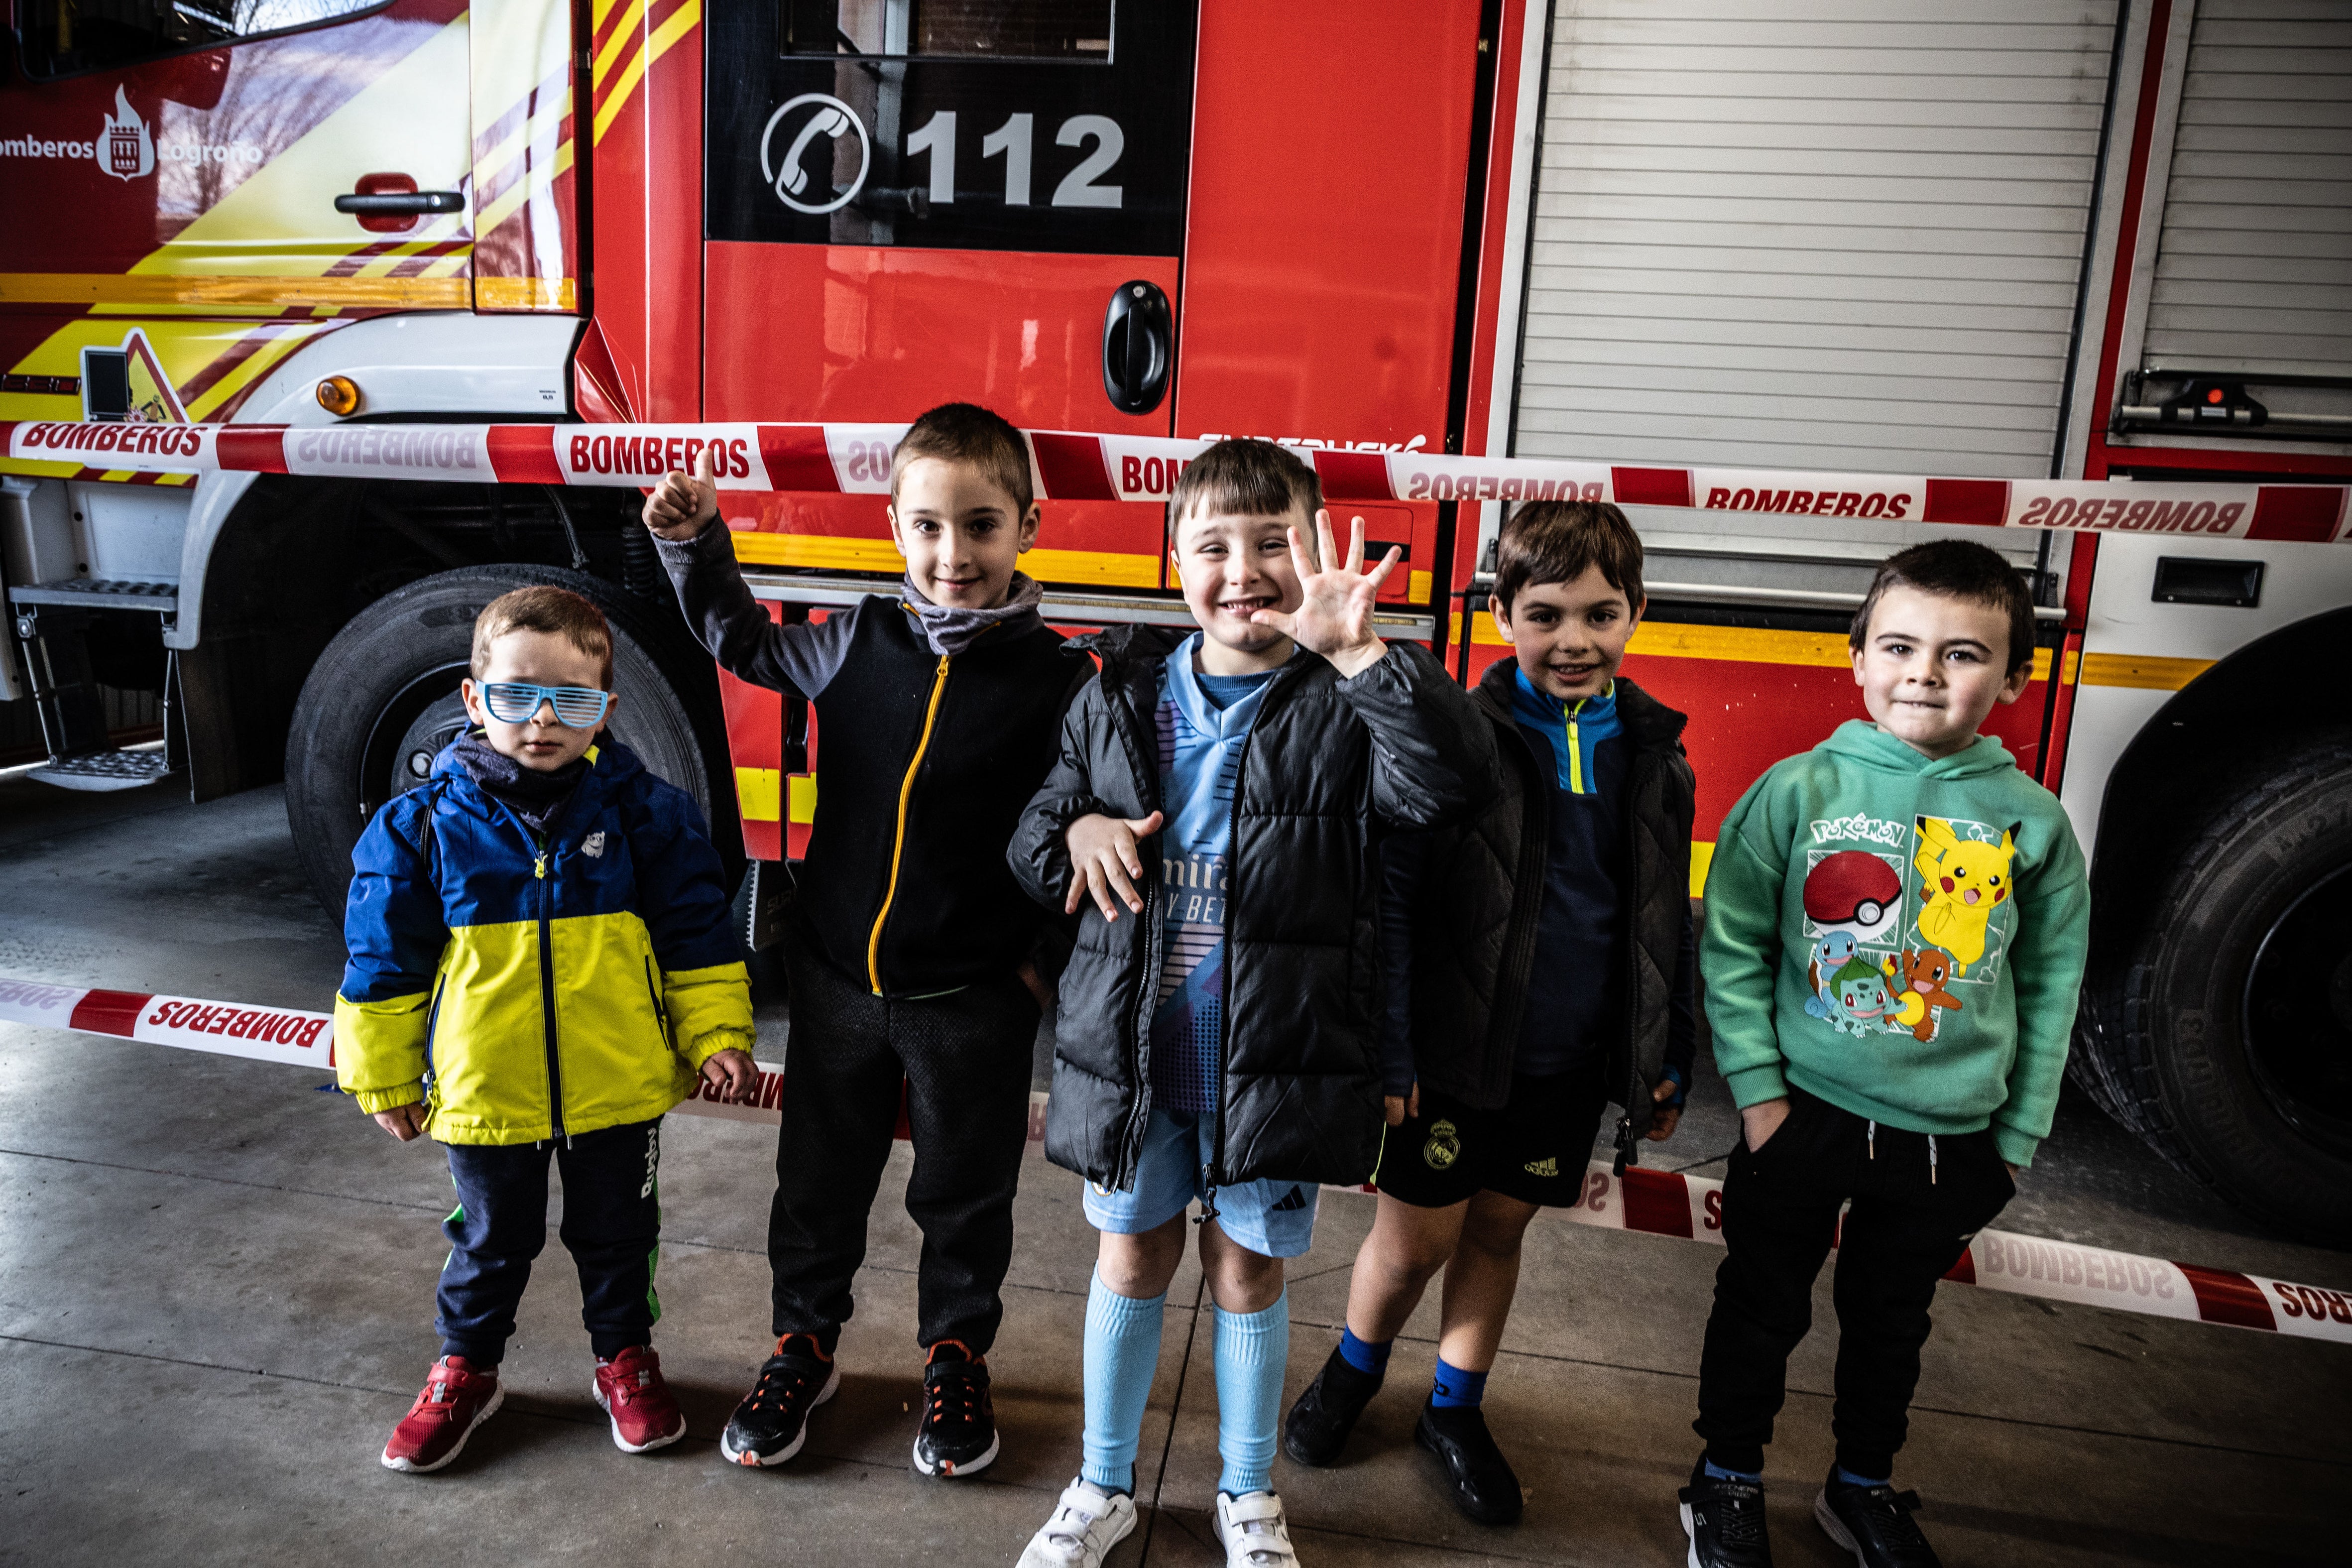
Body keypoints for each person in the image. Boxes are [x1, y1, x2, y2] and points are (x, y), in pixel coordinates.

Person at [1003, 439, 1497, 1568]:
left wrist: (1364, 653)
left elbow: (1448, 786)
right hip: (1141, 1068)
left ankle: (1247, 1494)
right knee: (1129, 1261)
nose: (1245, 569)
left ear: (1319, 549)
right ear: (1171, 558)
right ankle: (1102, 1484)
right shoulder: (1121, 695)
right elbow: (1036, 836)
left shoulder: (1346, 702)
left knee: (1247, 1269)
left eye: (1275, 542)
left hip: (1276, 1061)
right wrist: (1073, 832)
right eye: (1213, 545)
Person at [642, 402, 1089, 1478]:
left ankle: (955, 1358)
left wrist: (1031, 977)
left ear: (1028, 523)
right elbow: (739, 639)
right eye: (929, 527)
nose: (954, 555)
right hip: (836, 983)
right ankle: (805, 1343)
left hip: (973, 1001)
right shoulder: (856, 640)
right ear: (894, 528)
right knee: (818, 1180)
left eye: (981, 526)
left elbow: (1082, 831)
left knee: (964, 1192)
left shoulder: (1062, 682)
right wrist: (694, 544)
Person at [1282, 498, 1698, 1525]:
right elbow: (1396, 910)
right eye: (1546, 614)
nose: (1574, 641)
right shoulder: (1461, 741)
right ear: (1502, 614)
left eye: (1601, 616)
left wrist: (1662, 1052)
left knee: (1501, 1232)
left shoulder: (1658, 759)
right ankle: (1353, 1368)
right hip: (1451, 1058)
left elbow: (1659, 927)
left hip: (1566, 1062)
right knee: (1413, 1242)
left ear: (1637, 613)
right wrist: (1392, 1052)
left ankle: (1454, 1410)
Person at [1676, 539, 2090, 1568]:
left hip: (1950, 1141)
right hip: (1804, 1115)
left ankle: (1860, 1485)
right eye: (1899, 646)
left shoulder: (2033, 824)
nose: (1924, 673)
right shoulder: (1795, 791)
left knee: (1890, 1326)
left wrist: (2018, 1136)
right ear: (1855, 657)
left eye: (1962, 654)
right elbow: (1730, 945)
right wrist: (1760, 1097)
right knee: (1759, 1307)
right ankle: (1723, 1479)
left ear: (2013, 678)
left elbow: (2047, 988)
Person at [336, 585, 759, 1475]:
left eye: (571, 700)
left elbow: (696, 934)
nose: (542, 720)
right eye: (516, 694)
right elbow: (384, 961)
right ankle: (467, 1368)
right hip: (487, 1093)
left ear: (604, 708)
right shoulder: (417, 828)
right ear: (472, 696)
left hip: (619, 1085)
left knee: (619, 1233)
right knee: (490, 1241)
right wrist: (383, 1074)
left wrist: (717, 1033)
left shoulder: (648, 814)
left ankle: (625, 1360)